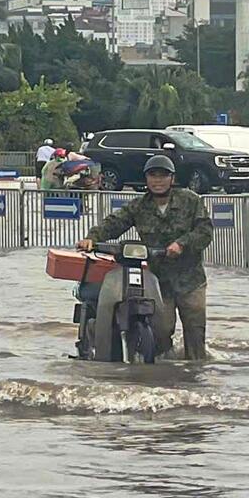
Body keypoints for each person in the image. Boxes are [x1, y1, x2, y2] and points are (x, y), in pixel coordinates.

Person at [79, 154, 214, 360]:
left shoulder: (191, 200)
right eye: (153, 175)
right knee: (160, 330)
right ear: (146, 179)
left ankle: (194, 376)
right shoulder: (139, 205)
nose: (158, 181)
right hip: (158, 282)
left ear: (172, 178)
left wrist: (182, 244)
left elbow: (205, 231)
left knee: (195, 332)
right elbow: (115, 223)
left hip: (190, 280)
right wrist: (92, 238)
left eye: (163, 175)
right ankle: (160, 374)